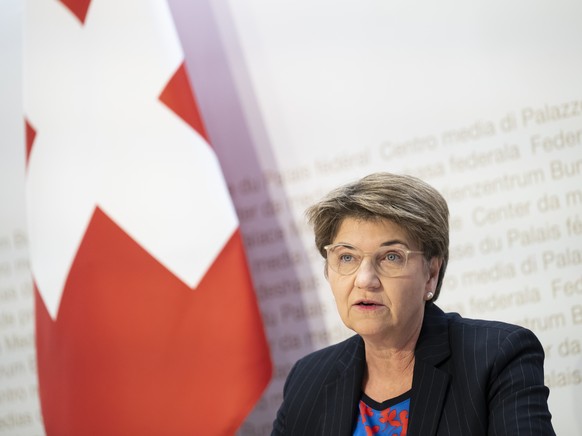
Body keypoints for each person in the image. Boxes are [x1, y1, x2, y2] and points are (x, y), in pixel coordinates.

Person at [271, 172, 555, 435]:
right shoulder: (308, 378)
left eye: (391, 256)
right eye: (347, 257)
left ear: (431, 274)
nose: (365, 279)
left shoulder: (497, 357)